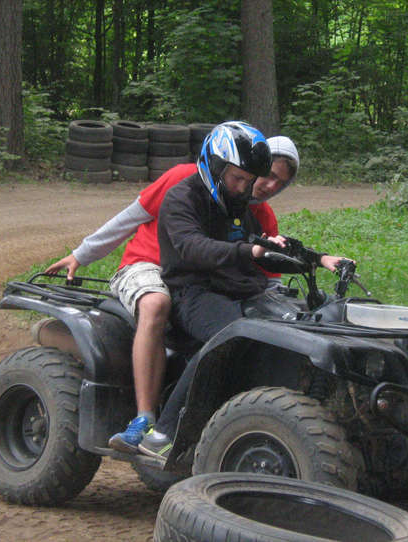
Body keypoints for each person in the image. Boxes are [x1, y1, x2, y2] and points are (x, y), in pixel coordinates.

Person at [44, 133, 302, 454]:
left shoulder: (257, 211)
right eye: (269, 175)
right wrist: (82, 254)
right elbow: (131, 217)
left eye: (281, 183)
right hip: (148, 262)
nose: (270, 186)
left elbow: (267, 273)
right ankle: (144, 420)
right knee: (156, 303)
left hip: (198, 278)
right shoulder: (183, 179)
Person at [138, 121, 346, 463]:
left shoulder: (239, 205)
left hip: (241, 291)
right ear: (214, 166)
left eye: (249, 181)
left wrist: (318, 259)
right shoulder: (182, 198)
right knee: (230, 336)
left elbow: (262, 248)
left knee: (303, 322)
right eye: (237, 178)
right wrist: (250, 251)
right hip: (193, 292)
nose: (243, 187)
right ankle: (164, 432)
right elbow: (193, 248)